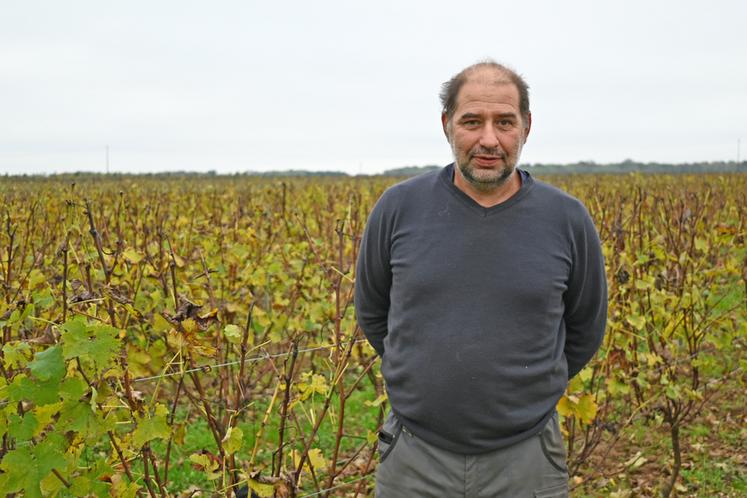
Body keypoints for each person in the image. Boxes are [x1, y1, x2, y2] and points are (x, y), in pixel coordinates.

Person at [354, 61, 608, 498]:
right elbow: (375, 313)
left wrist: (522, 397)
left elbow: (585, 328)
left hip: (528, 458)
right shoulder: (397, 209)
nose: (489, 139)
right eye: (472, 121)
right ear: (446, 125)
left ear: (526, 127)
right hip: (414, 456)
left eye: (504, 122)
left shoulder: (566, 219)